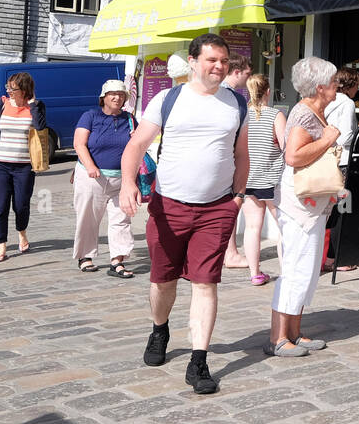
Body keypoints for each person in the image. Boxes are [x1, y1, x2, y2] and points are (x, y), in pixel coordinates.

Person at [120, 33, 249, 395]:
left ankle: (199, 361)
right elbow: (136, 145)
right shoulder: (169, 99)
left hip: (216, 208)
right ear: (193, 61)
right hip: (169, 207)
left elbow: (243, 156)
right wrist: (129, 183)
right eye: (212, 60)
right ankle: (160, 329)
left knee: (206, 283)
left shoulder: (236, 104)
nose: (219, 67)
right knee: (163, 280)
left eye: (224, 61)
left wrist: (237, 197)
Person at [267, 57, 340, 357]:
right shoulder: (302, 114)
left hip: (312, 205)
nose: (338, 85)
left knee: (307, 269)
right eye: (334, 81)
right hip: (300, 205)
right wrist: (328, 140)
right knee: (295, 267)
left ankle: (294, 333)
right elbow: (293, 157)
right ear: (320, 87)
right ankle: (277, 338)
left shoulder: (315, 111)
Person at [73, 79, 136, 278]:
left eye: (121, 94)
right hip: (93, 178)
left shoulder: (130, 119)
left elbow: (138, 146)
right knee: (88, 218)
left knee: (122, 219)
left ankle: (117, 261)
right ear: (104, 98)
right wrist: (91, 166)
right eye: (113, 94)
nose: (117, 98)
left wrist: (136, 137)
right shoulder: (90, 116)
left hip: (121, 179)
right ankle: (85, 256)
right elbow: (79, 144)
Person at [0, 71, 47, 262]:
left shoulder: (37, 106)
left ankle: (22, 232)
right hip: (0, 163)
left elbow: (41, 127)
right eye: (8, 87)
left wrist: (33, 105)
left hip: (24, 165)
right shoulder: (1, 104)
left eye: (13, 88)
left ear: (25, 90)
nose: (9, 91)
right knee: (0, 206)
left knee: (21, 205)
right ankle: (1, 245)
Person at [242, 73, 287, 286]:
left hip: (249, 179)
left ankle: (255, 273)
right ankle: (286, 272)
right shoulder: (275, 115)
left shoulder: (243, 116)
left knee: (252, 227)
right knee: (284, 227)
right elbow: (286, 146)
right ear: (268, 91)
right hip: (273, 178)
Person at [322, 66, 359, 271]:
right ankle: (335, 258)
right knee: (341, 209)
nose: (358, 89)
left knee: (326, 208)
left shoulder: (327, 100)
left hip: (325, 159)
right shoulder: (347, 103)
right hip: (343, 161)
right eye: (357, 84)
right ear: (351, 85)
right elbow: (346, 136)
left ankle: (324, 256)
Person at [222, 52, 253, 269]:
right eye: (247, 74)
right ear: (236, 72)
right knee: (229, 205)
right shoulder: (232, 98)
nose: (248, 79)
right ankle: (230, 253)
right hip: (228, 161)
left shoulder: (219, 94)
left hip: (223, 160)